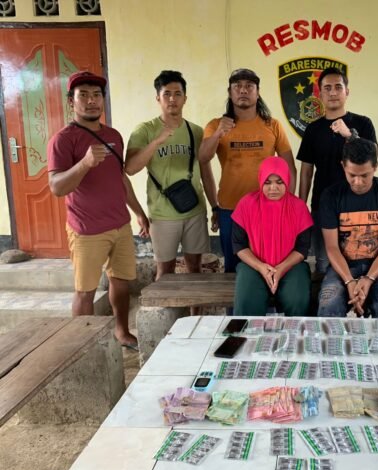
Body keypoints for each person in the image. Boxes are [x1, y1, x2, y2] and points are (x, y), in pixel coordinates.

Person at [47, 71, 149, 350]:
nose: (91, 101)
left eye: (96, 95)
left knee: (122, 282)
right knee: (85, 290)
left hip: (120, 224)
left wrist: (138, 212)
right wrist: (84, 163)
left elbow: (121, 178)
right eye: (83, 95)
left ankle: (122, 331)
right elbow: (56, 187)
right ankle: (83, 347)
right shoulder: (63, 139)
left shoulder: (113, 135)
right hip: (86, 229)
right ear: (71, 101)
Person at [199, 68, 295, 272]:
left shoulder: (273, 125)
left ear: (257, 92)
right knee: (233, 268)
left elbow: (289, 169)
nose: (243, 90)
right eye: (237, 86)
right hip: (231, 209)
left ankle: (268, 296)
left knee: (269, 263)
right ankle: (234, 296)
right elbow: (203, 158)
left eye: (249, 86)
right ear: (230, 92)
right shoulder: (216, 125)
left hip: (267, 207)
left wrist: (287, 205)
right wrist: (218, 133)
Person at [125, 70, 216, 280]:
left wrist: (215, 207)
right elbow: (130, 168)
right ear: (158, 98)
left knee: (195, 268)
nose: (172, 99)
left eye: (177, 94)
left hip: (194, 210)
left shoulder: (196, 131)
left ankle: (193, 304)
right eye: (167, 94)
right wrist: (156, 141)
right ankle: (168, 305)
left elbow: (206, 173)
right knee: (165, 271)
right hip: (162, 214)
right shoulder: (145, 130)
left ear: (185, 98)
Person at [298, 67, 377, 275]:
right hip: (323, 204)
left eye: (338, 87)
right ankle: (327, 297)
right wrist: (300, 205)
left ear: (346, 92)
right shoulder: (313, 129)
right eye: (327, 88)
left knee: (359, 260)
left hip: (358, 204)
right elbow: (306, 170)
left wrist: (349, 135)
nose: (333, 92)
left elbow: (373, 153)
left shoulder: (362, 123)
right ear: (320, 94)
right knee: (324, 264)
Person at [318, 138, 378, 318]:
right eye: (352, 175)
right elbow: (332, 247)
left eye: (364, 175)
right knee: (329, 307)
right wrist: (349, 281)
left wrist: (369, 278)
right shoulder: (331, 196)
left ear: (375, 167)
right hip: (342, 266)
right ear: (343, 166)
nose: (358, 182)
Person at [232, 157, 313, 316]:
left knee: (297, 300)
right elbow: (239, 245)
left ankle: (294, 333)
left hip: (290, 266)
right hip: (254, 265)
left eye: (279, 182)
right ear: (260, 180)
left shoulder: (299, 208)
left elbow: (302, 248)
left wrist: (281, 268)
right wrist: (261, 267)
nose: (273, 188)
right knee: (247, 301)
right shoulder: (246, 205)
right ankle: (251, 333)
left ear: (287, 181)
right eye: (267, 182)